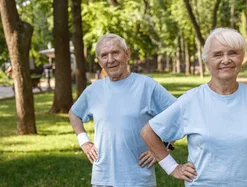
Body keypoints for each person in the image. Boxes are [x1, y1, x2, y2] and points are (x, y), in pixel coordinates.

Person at [140, 28, 247, 186]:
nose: (226, 60)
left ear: (242, 57)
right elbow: (149, 132)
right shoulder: (191, 100)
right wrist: (172, 168)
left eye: (233, 53)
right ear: (207, 62)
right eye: (217, 54)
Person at [69, 33, 176, 187]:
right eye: (104, 55)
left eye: (115, 53)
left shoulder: (146, 85)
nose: (110, 60)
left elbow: (178, 114)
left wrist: (164, 147)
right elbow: (74, 114)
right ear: (99, 61)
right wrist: (84, 142)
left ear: (127, 54)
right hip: (103, 178)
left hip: (139, 178)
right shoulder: (94, 90)